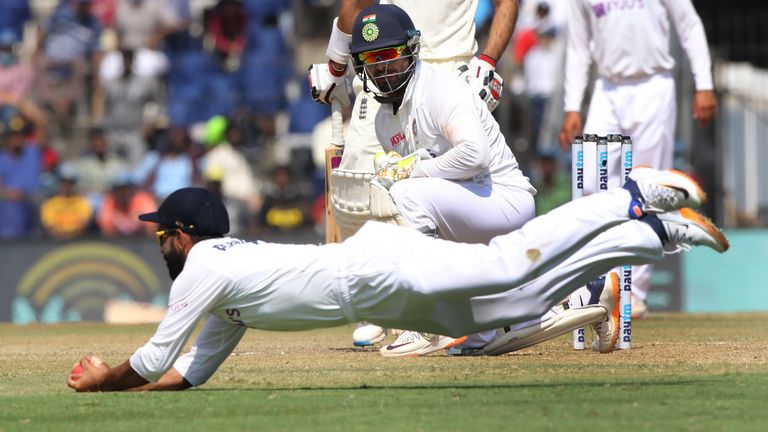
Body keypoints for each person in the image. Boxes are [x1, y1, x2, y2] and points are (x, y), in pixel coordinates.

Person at [66, 167, 728, 392]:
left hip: (374, 268)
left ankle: (629, 197)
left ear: (182, 235)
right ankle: (654, 238)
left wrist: (105, 382)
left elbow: (154, 359)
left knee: (506, 262)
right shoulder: (224, 289)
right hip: (378, 287)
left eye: (162, 235)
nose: (160, 245)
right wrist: (140, 397)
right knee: (514, 304)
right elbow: (186, 372)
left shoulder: (204, 266)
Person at [308, 0, 519, 351]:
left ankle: (434, 314)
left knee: (410, 195)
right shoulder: (381, 111)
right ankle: (391, 304)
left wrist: (489, 60)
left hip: (450, 66)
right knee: (369, 196)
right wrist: (337, 64)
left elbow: (506, 2)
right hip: (385, 61)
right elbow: (356, 4)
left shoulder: (445, 90)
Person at [558, 0, 718, 318]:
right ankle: (594, 283)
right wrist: (572, 105)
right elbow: (578, 46)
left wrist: (705, 85)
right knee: (588, 181)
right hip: (607, 88)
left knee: (647, 192)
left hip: (653, 85)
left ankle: (635, 293)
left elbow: (689, 24)